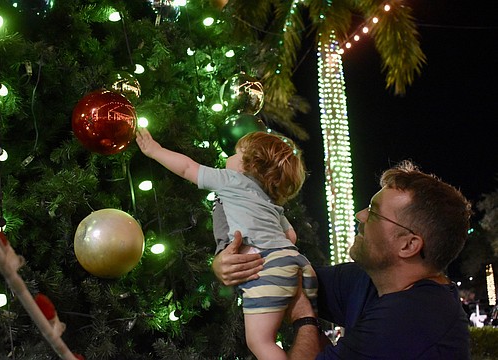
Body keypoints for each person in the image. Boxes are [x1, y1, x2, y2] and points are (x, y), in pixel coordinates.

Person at [213, 160, 472, 359]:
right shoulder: (368, 280)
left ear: (408, 244)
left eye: (373, 213)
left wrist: (305, 317)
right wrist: (226, 262)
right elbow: (282, 274)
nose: (360, 216)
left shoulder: (415, 319)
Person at [136, 128, 318, 360]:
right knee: (300, 331)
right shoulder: (269, 200)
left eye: (234, 153)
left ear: (248, 164)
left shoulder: (231, 179)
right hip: (297, 262)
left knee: (260, 342)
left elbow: (188, 168)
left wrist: (155, 150)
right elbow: (291, 237)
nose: (227, 158)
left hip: (265, 265)